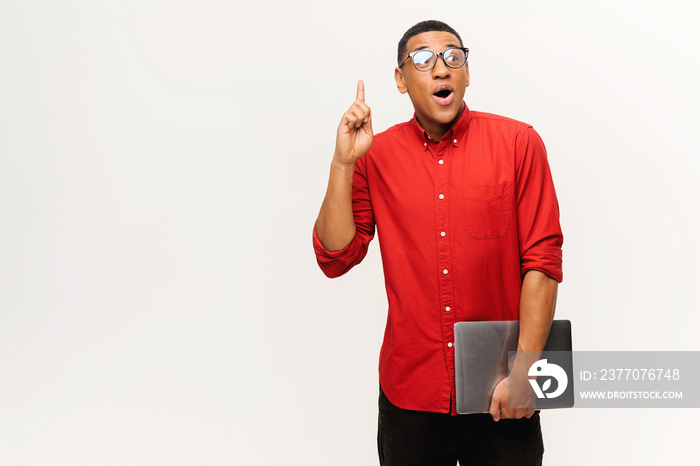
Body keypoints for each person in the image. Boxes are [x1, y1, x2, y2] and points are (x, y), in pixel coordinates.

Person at [312, 20, 563, 466]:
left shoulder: (519, 144)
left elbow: (541, 262)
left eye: (453, 56)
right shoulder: (376, 157)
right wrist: (342, 163)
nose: (441, 69)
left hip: (501, 390)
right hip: (410, 395)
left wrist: (527, 371)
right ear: (400, 80)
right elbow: (335, 257)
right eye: (424, 60)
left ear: (468, 71)